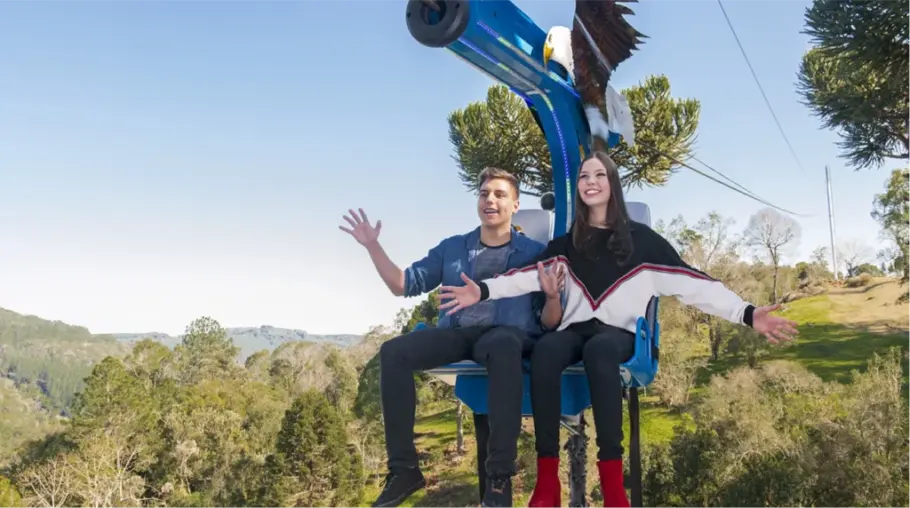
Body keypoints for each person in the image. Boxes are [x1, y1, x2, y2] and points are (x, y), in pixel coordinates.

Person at [435, 152, 799, 508]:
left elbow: (695, 283)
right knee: (546, 351)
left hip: (619, 334)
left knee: (600, 351)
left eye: (599, 175)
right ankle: (547, 478)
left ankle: (611, 482)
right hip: (575, 331)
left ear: (612, 184)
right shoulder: (566, 245)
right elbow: (522, 278)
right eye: (583, 177)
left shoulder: (642, 242)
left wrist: (748, 314)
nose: (590, 182)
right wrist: (482, 290)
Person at [339, 168, 553, 508]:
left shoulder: (533, 252)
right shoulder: (453, 248)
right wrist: (372, 246)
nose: (490, 200)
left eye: (499, 195)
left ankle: (498, 477)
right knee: (393, 352)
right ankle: (404, 470)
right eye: (484, 194)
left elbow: (548, 314)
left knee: (502, 344)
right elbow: (402, 284)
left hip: (507, 336)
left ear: (515, 205)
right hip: (459, 334)